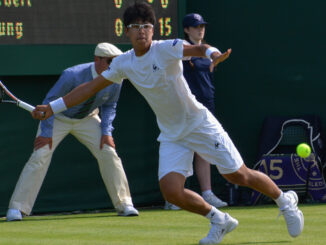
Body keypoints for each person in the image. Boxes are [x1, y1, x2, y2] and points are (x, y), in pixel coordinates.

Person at [32, 2, 304, 244]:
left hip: (198, 123)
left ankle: (285, 201)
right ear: (126, 32)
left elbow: (198, 47)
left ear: (154, 30)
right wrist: (53, 108)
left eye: (147, 26)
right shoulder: (124, 63)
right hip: (172, 134)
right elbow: (89, 88)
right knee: (171, 191)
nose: (142, 31)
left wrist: (213, 54)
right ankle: (219, 220)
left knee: (237, 175)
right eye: (136, 26)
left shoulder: (167, 48)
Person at [6, 42, 139, 222]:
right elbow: (50, 101)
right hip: (58, 118)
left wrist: (107, 131)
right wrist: (46, 133)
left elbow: (109, 105)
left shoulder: (116, 78)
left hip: (88, 118)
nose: (113, 66)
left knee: (108, 152)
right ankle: (17, 208)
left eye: (116, 62)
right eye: (109, 61)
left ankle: (124, 203)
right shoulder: (72, 75)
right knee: (40, 154)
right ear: (97, 60)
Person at [165, 13, 230, 211]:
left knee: (204, 149)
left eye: (202, 25)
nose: (200, 29)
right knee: (182, 149)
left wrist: (217, 57)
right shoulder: (181, 50)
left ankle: (207, 193)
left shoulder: (207, 50)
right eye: (195, 26)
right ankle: (174, 196)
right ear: (186, 30)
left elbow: (211, 53)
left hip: (206, 104)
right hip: (184, 106)